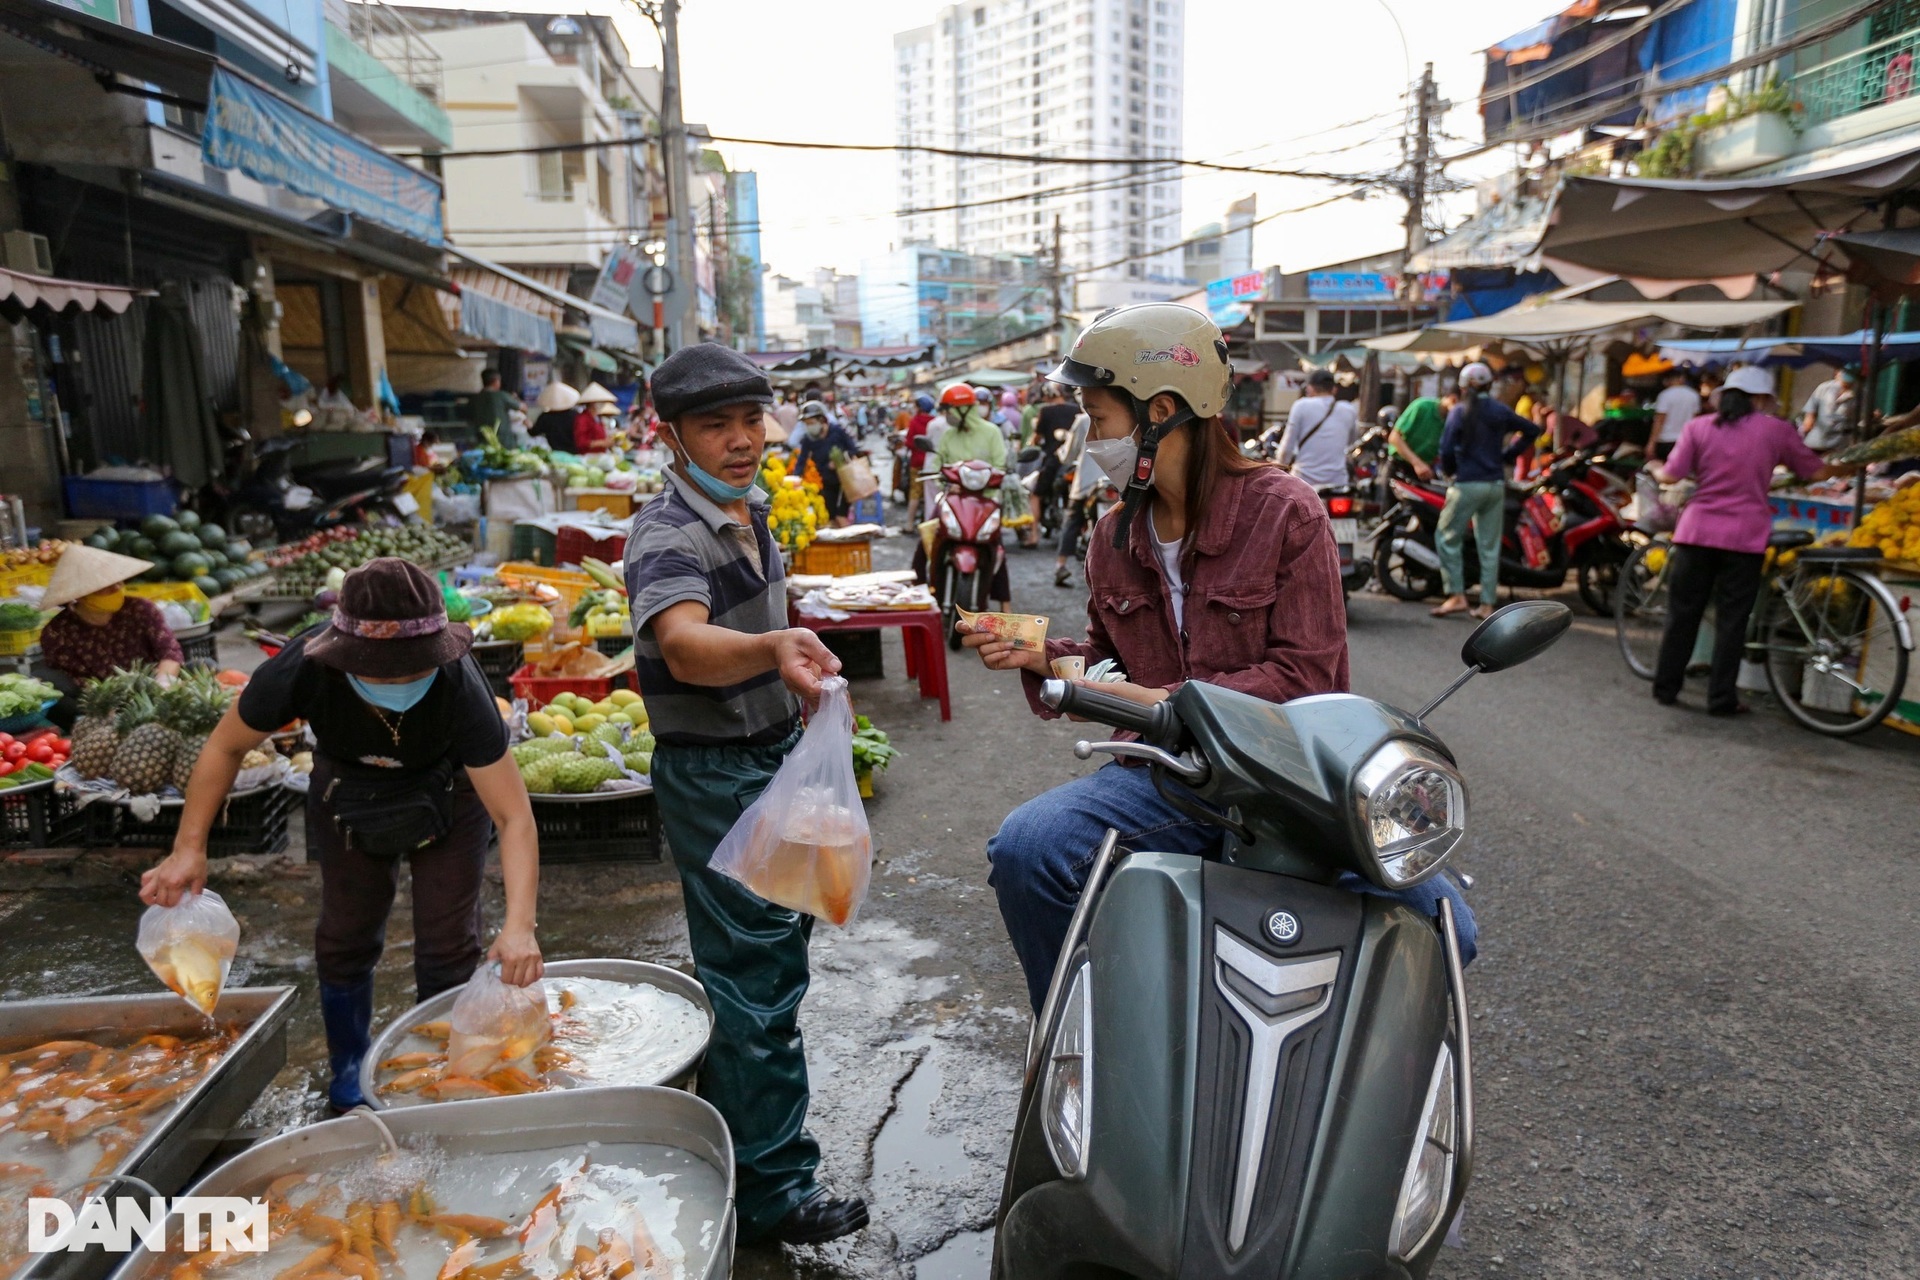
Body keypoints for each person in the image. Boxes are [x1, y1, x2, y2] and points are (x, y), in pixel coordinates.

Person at [962, 303, 1469, 1010]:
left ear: (1162, 411)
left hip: (1286, 786)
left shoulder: (1286, 512)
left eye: (1099, 419)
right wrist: (1039, 656)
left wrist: (1168, 704)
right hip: (1169, 777)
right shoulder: (1113, 537)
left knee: (1449, 930)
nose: (1092, 442)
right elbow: (1111, 672)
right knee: (1028, 849)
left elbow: (1306, 677)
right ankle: (1079, 1046)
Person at [138, 559, 543, 1110]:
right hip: (346, 791)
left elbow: (514, 816)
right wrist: (188, 848)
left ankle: (440, 1075)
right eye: (381, 668)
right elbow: (225, 746)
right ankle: (348, 1066)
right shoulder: (303, 667)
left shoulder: (459, 685)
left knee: (448, 946)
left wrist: (521, 926)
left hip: (450, 792)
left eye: (411, 667)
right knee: (345, 936)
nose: (398, 679)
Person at [622, 343, 865, 1247]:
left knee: (764, 967)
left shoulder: (746, 512)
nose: (737, 440)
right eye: (713, 426)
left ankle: (733, 1145)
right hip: (715, 775)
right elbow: (682, 643)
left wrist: (791, 677)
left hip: (764, 759)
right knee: (756, 977)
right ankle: (770, 1192)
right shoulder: (667, 532)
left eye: (748, 420)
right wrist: (771, 651)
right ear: (672, 436)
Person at [1650, 366, 1855, 715]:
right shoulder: (1776, 430)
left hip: (1696, 532)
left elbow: (1672, 473)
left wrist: (1655, 466)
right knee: (1733, 620)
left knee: (1683, 614)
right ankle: (1721, 699)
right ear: (1760, 398)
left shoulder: (1698, 427)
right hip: (1744, 538)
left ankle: (1666, 688)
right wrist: (1852, 465)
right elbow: (1817, 472)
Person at [36, 546, 184, 724]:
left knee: (204, 666)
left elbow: (169, 651)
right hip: (101, 704)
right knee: (53, 690)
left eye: (119, 582)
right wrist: (112, 707)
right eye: (105, 586)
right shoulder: (58, 632)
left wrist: (163, 683)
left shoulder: (140, 609)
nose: (117, 588)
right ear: (81, 594)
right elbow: (77, 682)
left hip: (155, 689)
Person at [1431, 361, 1531, 620]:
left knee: (1446, 537)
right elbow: (1532, 430)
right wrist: (1509, 455)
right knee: (1489, 545)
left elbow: (1445, 449)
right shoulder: (1500, 411)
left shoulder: (1459, 412)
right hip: (1496, 485)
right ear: (1489, 384)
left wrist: (1451, 470)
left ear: (1464, 387)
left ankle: (1456, 595)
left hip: (1467, 484)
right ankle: (1487, 604)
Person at [916, 384, 1013, 610]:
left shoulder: (991, 432)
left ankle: (1005, 606)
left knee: (994, 548)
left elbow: (1000, 465)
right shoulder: (949, 435)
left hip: (985, 501)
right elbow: (938, 466)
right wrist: (946, 482)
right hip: (953, 498)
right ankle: (918, 593)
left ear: (962, 410)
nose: (946, 416)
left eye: (949, 410)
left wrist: (988, 479)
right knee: (927, 539)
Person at [1274, 369, 1357, 487]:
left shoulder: (1301, 406)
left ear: (1309, 388)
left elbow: (1287, 446)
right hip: (1338, 481)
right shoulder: (1349, 410)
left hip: (1304, 480)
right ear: (1334, 389)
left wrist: (1279, 466)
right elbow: (1351, 441)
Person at [1051, 406, 1103, 588]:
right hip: (1115, 482)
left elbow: (1068, 454)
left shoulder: (1083, 420)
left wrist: (1061, 453)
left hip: (1087, 482)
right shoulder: (1125, 411)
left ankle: (1061, 565)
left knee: (1072, 520)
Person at [791, 399, 863, 524]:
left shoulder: (837, 432)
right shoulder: (808, 439)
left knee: (842, 515)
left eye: (811, 423)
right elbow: (802, 460)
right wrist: (795, 479)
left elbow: (852, 449)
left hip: (845, 479)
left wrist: (840, 460)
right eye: (806, 424)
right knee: (830, 515)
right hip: (826, 482)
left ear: (822, 420)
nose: (809, 426)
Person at [1389, 392, 1451, 481]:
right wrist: (1417, 463)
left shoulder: (1451, 420)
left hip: (1425, 472)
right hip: (1399, 466)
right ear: (1453, 399)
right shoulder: (1422, 406)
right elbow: (1394, 437)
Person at [1651, 367, 1702, 462]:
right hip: (1686, 440)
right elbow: (1695, 420)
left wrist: (1651, 443)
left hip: (1666, 440)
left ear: (1666, 381)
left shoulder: (1664, 395)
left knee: (1666, 471)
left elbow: (1659, 420)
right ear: (1682, 378)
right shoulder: (1693, 395)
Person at [1801, 366, 1857, 453]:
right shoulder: (1824, 388)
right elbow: (1810, 411)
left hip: (1839, 443)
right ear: (1837, 374)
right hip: (1817, 439)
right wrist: (1808, 422)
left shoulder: (1858, 394)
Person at [467, 367, 521, 436]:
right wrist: (515, 398)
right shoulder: (502, 396)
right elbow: (521, 407)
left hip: (481, 436)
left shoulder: (474, 398)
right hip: (502, 437)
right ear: (496, 381)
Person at [532, 381, 582, 451]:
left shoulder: (545, 417)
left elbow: (534, 432)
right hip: (574, 451)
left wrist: (528, 424)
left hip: (555, 451)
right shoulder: (575, 415)